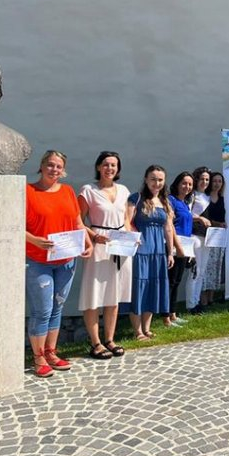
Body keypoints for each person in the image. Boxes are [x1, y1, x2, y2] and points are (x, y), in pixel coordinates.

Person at [25, 150, 92, 378]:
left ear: (63, 170)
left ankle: (51, 352)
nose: (54, 170)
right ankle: (38, 357)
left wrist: (88, 243)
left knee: (57, 308)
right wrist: (35, 240)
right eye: (50, 165)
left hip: (66, 260)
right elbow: (14, 225)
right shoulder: (28, 191)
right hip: (38, 260)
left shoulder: (68, 191)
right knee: (42, 310)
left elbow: (77, 222)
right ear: (42, 166)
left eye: (58, 166)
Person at [78, 151, 133, 359]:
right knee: (94, 293)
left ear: (118, 169)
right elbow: (78, 220)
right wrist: (94, 236)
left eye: (114, 165)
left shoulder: (123, 190)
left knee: (114, 294)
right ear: (98, 167)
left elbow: (126, 219)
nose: (110, 168)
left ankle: (110, 339)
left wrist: (130, 237)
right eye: (106, 164)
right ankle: (95, 342)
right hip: (98, 246)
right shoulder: (88, 190)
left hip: (119, 246)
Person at [121, 165, 181, 339]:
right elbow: (127, 221)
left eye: (160, 180)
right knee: (139, 288)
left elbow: (168, 229)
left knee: (153, 287)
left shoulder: (165, 201)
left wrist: (170, 252)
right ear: (146, 180)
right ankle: (137, 331)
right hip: (140, 250)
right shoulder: (136, 198)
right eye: (153, 179)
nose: (157, 183)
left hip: (158, 251)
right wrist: (132, 237)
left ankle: (147, 328)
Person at [167, 171, 195, 327]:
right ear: (177, 184)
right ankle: (166, 316)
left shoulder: (185, 203)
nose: (187, 186)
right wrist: (176, 247)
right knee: (171, 281)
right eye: (184, 183)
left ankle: (173, 314)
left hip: (185, 247)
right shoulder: (171, 200)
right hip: (175, 246)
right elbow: (169, 225)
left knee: (177, 281)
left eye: (190, 184)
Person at [200, 172, 226, 305]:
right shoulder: (205, 198)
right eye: (215, 181)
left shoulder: (222, 199)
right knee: (205, 267)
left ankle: (211, 297)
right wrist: (216, 223)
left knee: (216, 265)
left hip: (219, 236)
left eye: (220, 181)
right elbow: (204, 217)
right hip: (206, 235)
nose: (217, 184)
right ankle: (203, 297)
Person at [188, 167, 211, 313]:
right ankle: (190, 305)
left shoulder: (208, 197)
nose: (205, 182)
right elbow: (187, 213)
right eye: (202, 179)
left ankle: (197, 302)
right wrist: (200, 218)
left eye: (207, 179)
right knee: (194, 272)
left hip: (207, 237)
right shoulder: (192, 195)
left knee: (202, 272)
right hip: (195, 235)